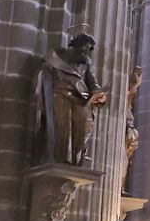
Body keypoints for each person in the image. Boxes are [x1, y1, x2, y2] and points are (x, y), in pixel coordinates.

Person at [33, 33, 109, 166]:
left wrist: (100, 96)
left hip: (80, 99)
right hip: (60, 95)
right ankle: (60, 158)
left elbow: (92, 83)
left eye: (88, 49)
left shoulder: (85, 63)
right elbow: (44, 73)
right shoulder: (58, 56)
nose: (85, 52)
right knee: (63, 123)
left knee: (85, 121)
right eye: (84, 47)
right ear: (76, 45)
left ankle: (76, 159)